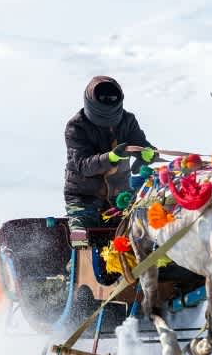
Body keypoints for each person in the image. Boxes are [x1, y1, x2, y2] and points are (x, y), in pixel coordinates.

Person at [64, 76, 156, 236]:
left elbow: (142, 145)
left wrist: (148, 154)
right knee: (80, 236)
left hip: (120, 196)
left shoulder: (127, 120)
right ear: (91, 100)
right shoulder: (76, 127)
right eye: (104, 98)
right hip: (84, 198)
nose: (108, 100)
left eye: (112, 97)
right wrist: (111, 158)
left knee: (143, 233)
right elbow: (83, 166)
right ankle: (77, 258)